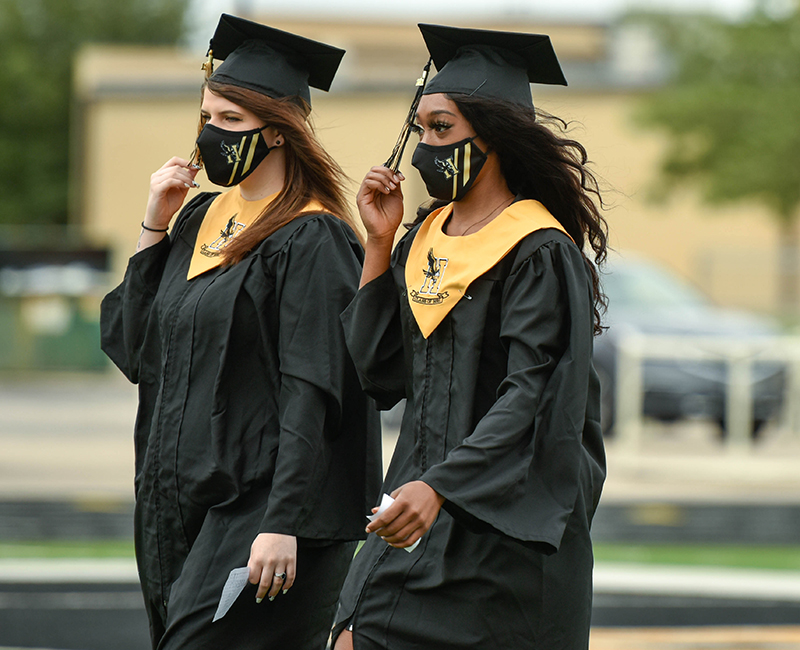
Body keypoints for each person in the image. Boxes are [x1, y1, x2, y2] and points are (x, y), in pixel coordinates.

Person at [100, 14, 381, 650]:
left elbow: (316, 390)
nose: (211, 136)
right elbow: (133, 347)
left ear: (280, 133)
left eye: (230, 121)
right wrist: (153, 228)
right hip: (178, 501)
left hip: (263, 509)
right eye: (206, 117)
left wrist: (285, 522)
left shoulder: (313, 238)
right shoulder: (199, 219)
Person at [332, 24, 608, 650]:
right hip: (416, 507)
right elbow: (380, 374)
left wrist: (442, 486)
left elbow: (532, 394)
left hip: (500, 530)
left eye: (443, 129)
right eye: (422, 129)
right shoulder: (424, 239)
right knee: (353, 637)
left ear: (496, 136)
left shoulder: (537, 251)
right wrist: (379, 244)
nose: (424, 147)